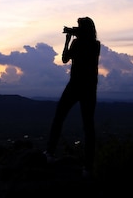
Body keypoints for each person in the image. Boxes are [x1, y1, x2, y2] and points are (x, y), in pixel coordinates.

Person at [45, 16, 101, 177]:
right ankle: (88, 167)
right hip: (89, 88)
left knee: (59, 118)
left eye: (79, 27)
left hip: (76, 86)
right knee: (88, 126)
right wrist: (71, 38)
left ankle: (49, 153)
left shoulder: (85, 44)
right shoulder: (95, 44)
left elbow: (64, 59)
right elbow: (65, 59)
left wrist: (69, 40)